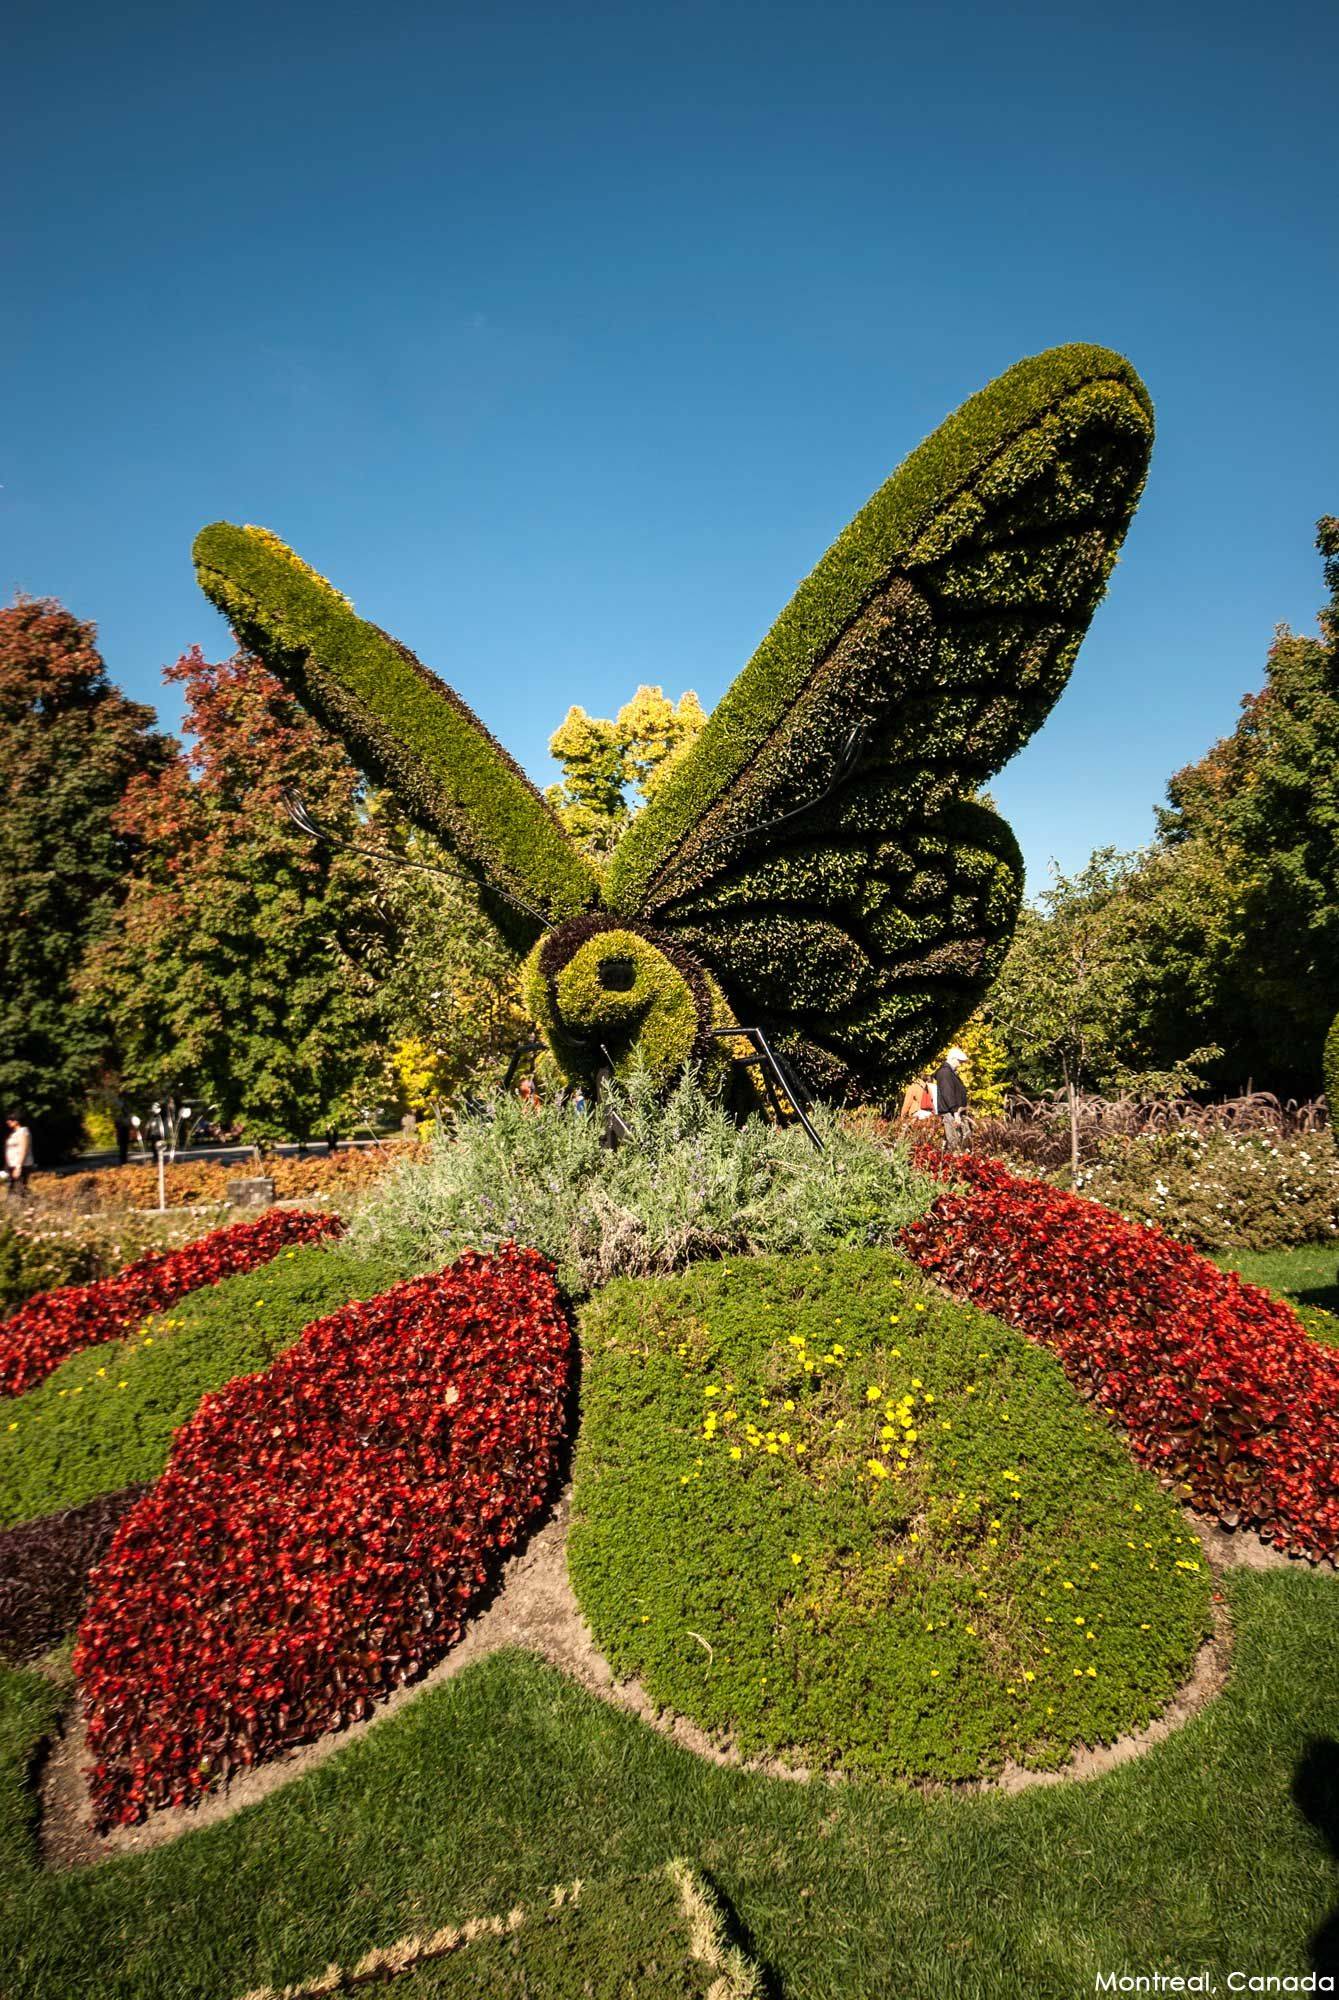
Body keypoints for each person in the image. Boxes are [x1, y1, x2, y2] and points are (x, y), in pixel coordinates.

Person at [932, 1047, 970, 1150]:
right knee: (955, 1142)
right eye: (959, 1061)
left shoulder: (950, 1073)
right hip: (951, 1113)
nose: (960, 1064)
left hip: (956, 1112)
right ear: (952, 1058)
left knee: (963, 1140)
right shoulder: (945, 1073)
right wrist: (955, 1112)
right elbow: (948, 1094)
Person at [4, 1113, 34, 1198]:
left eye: (10, 1119)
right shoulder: (13, 1133)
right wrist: (7, 1165)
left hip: (22, 1165)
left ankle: (31, 1206)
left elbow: (23, 1149)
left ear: (16, 1120)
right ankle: (28, 1206)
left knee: (20, 1189)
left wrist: (18, 1167)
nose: (8, 1121)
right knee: (13, 1189)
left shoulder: (23, 1131)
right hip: (12, 1165)